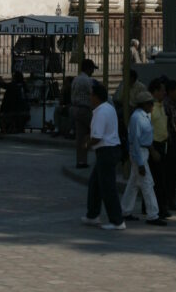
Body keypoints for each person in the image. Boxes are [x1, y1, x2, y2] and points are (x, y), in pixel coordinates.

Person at [83, 81, 125, 230]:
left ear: (96, 97)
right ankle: (92, 214)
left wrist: (87, 145)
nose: (90, 98)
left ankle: (117, 220)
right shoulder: (109, 108)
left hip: (105, 150)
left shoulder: (100, 111)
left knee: (108, 187)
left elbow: (97, 136)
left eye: (91, 96)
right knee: (95, 183)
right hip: (111, 148)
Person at [121, 85, 165, 225]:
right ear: (144, 104)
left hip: (143, 152)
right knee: (147, 184)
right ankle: (153, 215)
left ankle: (125, 210)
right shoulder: (137, 118)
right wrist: (140, 163)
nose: (152, 105)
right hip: (139, 153)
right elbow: (134, 142)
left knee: (133, 184)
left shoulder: (144, 116)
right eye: (150, 103)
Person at [148, 78, 171, 218]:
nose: (164, 93)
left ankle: (158, 206)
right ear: (155, 91)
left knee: (161, 178)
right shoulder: (151, 108)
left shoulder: (162, 106)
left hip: (163, 144)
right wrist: (152, 149)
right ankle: (159, 208)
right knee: (157, 180)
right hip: (154, 145)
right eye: (162, 90)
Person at [70, 58, 97, 169]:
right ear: (88, 68)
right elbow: (93, 94)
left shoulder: (76, 79)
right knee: (96, 132)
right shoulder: (87, 81)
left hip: (76, 109)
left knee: (80, 137)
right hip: (85, 109)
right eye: (92, 69)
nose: (93, 72)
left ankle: (81, 161)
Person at [164, 79, 176, 211]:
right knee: (170, 172)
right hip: (169, 141)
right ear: (170, 92)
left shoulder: (173, 104)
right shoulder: (166, 105)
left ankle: (170, 199)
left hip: (175, 140)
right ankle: (168, 200)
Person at [0, 70, 29, 134]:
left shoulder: (13, 86)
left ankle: (7, 129)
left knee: (2, 116)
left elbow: (4, 85)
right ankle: (14, 128)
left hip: (13, 111)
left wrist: (0, 80)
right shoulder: (24, 85)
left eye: (13, 77)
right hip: (25, 111)